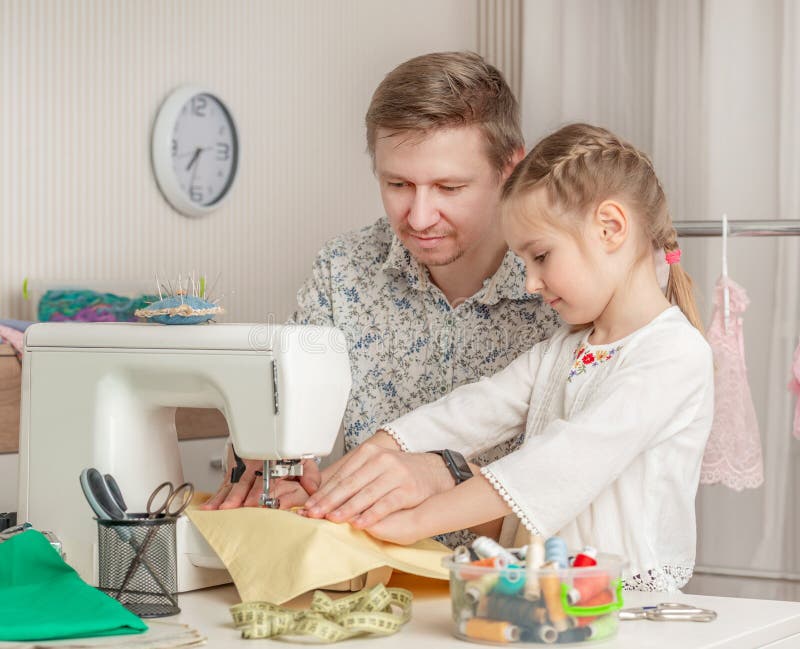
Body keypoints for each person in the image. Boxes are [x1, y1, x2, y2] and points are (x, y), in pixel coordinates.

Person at [301, 123, 715, 591]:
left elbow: (562, 464)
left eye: (540, 256)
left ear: (610, 228)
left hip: (631, 609)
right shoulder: (565, 349)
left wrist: (416, 520)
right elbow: (469, 412)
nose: (530, 282)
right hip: (549, 597)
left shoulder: (673, 354)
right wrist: (339, 477)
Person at [201, 52, 560, 546]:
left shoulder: (564, 290)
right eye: (397, 185)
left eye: (449, 187)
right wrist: (264, 464)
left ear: (511, 167)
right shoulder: (343, 270)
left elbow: (583, 489)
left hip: (519, 591)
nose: (418, 216)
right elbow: (277, 407)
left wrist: (443, 476)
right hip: (377, 583)